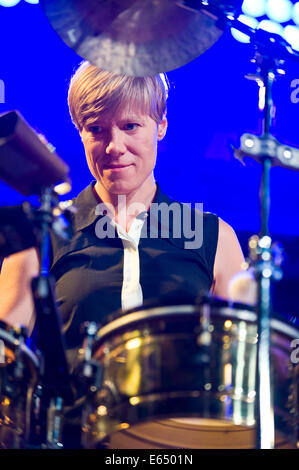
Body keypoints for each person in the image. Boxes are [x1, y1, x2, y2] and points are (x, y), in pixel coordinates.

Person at [0, 61, 244, 355]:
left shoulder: (215, 238)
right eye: (96, 129)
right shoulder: (40, 236)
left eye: (130, 126)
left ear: (161, 126)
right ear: (80, 132)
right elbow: (6, 358)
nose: (114, 146)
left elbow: (243, 358)